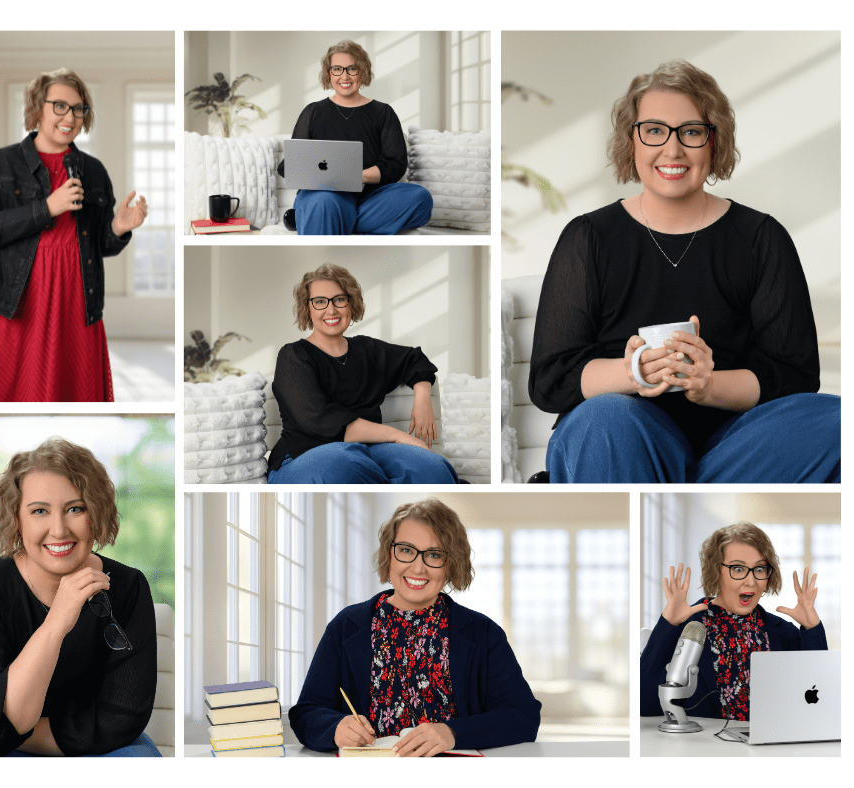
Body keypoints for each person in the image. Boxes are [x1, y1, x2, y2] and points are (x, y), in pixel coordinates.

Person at [529, 59, 840, 483]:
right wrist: (633, 372)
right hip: (620, 430)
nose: (672, 150)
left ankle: (675, 495)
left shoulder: (762, 237)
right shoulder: (588, 237)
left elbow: (794, 377)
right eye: (654, 130)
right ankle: (682, 501)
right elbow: (551, 379)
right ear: (631, 141)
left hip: (736, 442)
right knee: (605, 421)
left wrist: (708, 385)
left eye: (691, 131)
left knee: (837, 420)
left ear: (715, 142)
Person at [0, 438, 159, 757]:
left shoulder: (129, 587)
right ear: (16, 520)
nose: (59, 530)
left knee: (141, 760)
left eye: (75, 508)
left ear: (97, 512)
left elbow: (121, 720)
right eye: (39, 511)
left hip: (92, 743)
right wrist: (56, 624)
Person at [0, 68, 149, 402]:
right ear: (37, 108)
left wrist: (119, 227)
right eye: (59, 105)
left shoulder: (93, 170)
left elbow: (98, 244)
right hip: (8, 304)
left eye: (78, 108)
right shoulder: (1, 164)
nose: (69, 117)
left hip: (74, 303)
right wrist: (45, 208)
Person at [289, 499, 541, 754]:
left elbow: (523, 716)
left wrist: (454, 733)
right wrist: (335, 728)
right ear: (390, 553)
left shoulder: (484, 633)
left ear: (450, 564)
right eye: (407, 550)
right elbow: (306, 713)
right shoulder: (345, 627)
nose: (418, 567)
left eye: (434, 555)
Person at [268, 263, 459, 484]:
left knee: (431, 467)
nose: (331, 310)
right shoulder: (293, 356)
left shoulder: (367, 350)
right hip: (305, 455)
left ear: (351, 304)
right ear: (308, 309)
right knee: (343, 463)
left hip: (369, 451)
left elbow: (414, 359)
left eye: (339, 299)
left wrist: (423, 397)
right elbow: (321, 422)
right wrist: (397, 435)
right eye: (320, 302)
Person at [640, 522, 827, 720]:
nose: (751, 581)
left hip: (770, 748)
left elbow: (819, 703)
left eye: (760, 569)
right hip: (706, 748)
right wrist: (668, 623)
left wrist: (812, 629)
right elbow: (645, 705)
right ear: (716, 571)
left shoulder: (784, 633)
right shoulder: (688, 629)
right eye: (738, 569)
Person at [276, 40, 433, 235]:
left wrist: (357, 176)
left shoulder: (383, 113)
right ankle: (325, 214)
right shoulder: (313, 112)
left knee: (420, 197)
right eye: (337, 69)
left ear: (363, 72)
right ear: (328, 74)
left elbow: (395, 164)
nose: (345, 76)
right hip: (324, 196)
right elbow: (288, 166)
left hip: (372, 200)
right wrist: (325, 179)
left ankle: (322, 219)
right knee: (325, 202)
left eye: (352, 69)